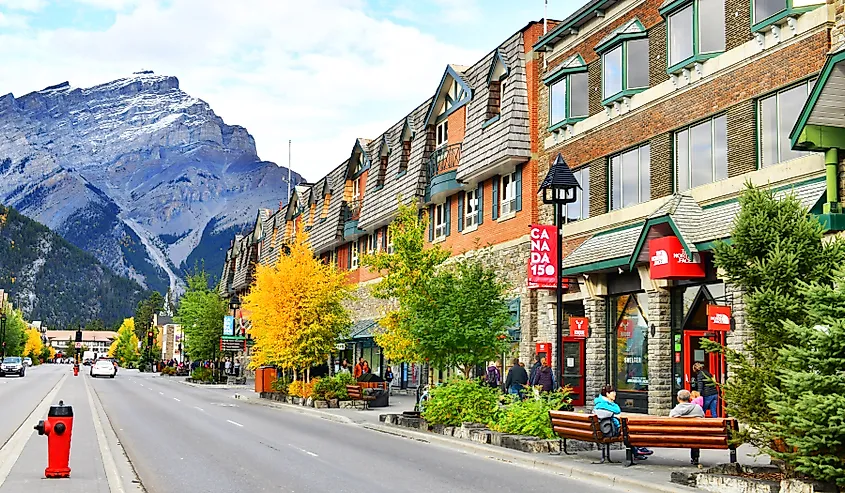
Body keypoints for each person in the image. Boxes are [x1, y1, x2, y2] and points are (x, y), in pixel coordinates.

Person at [594, 385, 652, 459]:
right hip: (610, 430)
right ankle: (639, 449)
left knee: (630, 430)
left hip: (610, 428)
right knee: (629, 431)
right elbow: (617, 409)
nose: (615, 394)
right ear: (607, 394)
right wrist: (613, 409)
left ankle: (638, 450)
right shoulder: (601, 404)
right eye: (613, 392)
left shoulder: (602, 402)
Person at [669, 389, 705, 465]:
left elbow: (670, 420)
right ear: (689, 398)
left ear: (678, 399)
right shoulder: (698, 408)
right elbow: (703, 417)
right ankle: (695, 458)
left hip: (678, 436)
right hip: (695, 435)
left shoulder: (675, 411)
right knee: (695, 434)